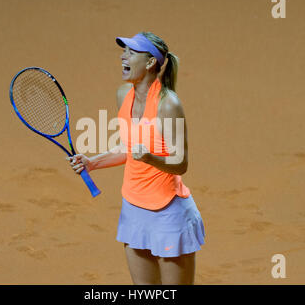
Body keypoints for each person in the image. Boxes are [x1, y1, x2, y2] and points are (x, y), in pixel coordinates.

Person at [67, 32, 205, 285]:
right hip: (133, 210)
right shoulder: (123, 95)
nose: (123, 56)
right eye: (124, 51)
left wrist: (151, 157)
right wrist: (92, 162)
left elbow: (181, 163)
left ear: (150, 62)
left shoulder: (168, 104)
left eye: (131, 52)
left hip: (168, 213)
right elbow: (128, 148)